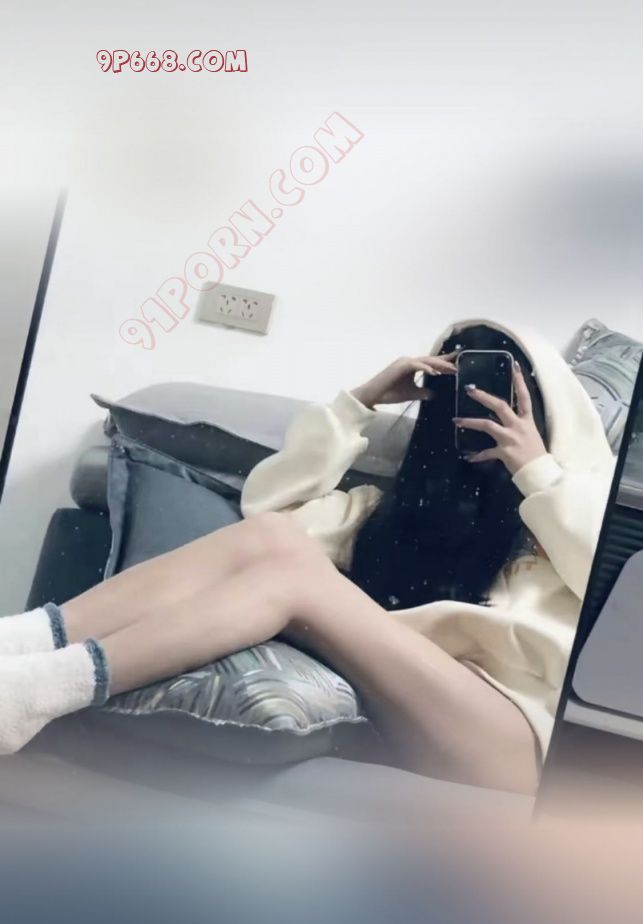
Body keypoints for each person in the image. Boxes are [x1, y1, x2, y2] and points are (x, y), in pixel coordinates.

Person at [0, 320, 614, 793]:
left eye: (499, 390)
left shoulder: (580, 507)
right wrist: (358, 404)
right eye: (455, 390)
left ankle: (44, 687)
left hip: (518, 743)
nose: (476, 406)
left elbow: (610, 590)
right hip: (416, 704)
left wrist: (537, 471)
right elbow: (266, 514)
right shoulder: (395, 514)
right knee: (279, 543)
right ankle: (21, 648)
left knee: (294, 569)